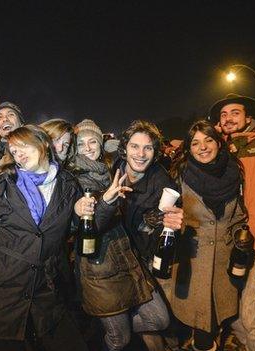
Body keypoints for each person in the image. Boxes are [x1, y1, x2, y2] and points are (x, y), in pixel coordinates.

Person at [0, 125, 128, 351]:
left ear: (42, 144)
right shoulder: (4, 183)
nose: (18, 154)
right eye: (13, 150)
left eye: (23, 146)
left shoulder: (68, 184)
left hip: (47, 293)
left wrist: (105, 203)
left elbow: (87, 228)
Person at [72, 119, 182, 351]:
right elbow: (90, 226)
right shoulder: (76, 179)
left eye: (148, 147)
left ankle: (104, 328)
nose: (140, 154)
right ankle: (108, 330)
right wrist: (101, 203)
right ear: (124, 148)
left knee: (158, 320)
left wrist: (169, 225)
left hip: (129, 259)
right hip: (99, 264)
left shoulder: (155, 180)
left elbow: (162, 231)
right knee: (118, 338)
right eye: (134, 146)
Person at [168, 120, 247, 351]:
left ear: (219, 143)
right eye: (195, 143)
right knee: (201, 324)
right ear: (189, 149)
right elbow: (163, 212)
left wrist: (241, 237)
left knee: (221, 316)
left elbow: (241, 214)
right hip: (193, 260)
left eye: (208, 140)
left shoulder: (237, 171)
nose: (202, 147)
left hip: (225, 257)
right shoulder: (180, 174)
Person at [210, 94, 255, 351]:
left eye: (235, 113)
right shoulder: (221, 149)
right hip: (233, 244)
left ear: (248, 118)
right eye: (224, 115)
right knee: (234, 314)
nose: (228, 118)